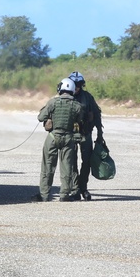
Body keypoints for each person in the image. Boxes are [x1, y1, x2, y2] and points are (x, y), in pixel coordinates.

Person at [34, 77, 86, 202]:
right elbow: (80, 121)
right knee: (67, 167)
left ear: (60, 89)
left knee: (48, 166)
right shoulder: (78, 106)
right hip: (68, 139)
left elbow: (40, 117)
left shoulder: (52, 103)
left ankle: (45, 195)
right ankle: (64, 195)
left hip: (52, 137)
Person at [69, 70, 103, 201]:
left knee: (87, 161)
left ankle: (83, 187)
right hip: (70, 134)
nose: (76, 86)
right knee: (71, 162)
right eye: (74, 84)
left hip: (85, 133)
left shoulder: (88, 97)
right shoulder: (64, 97)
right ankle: (75, 188)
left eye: (79, 84)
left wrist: (100, 134)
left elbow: (97, 114)